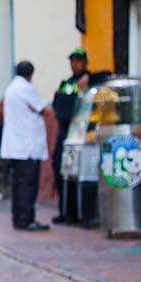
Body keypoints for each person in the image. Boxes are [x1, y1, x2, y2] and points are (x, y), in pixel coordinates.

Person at [1, 61, 53, 231]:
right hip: (28, 146)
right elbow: (46, 110)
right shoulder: (26, 88)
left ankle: (18, 218)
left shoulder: (11, 89)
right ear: (30, 75)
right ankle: (27, 219)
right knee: (28, 185)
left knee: (18, 184)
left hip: (16, 145)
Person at [51, 49, 89, 223]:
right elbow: (57, 104)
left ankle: (79, 213)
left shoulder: (90, 79)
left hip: (81, 133)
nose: (75, 64)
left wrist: (90, 78)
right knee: (61, 170)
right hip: (65, 132)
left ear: (85, 62)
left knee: (79, 173)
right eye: (72, 61)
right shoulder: (66, 83)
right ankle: (65, 211)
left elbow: (107, 74)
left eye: (78, 61)